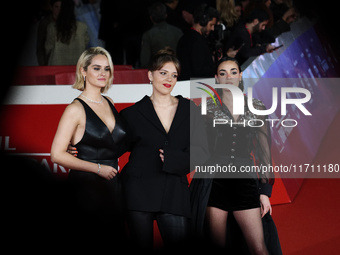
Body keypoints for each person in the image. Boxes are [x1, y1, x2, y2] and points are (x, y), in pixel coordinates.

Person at [120, 48, 208, 250]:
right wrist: (79, 150)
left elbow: (203, 151)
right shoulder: (131, 114)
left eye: (174, 75)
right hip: (138, 192)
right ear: (150, 75)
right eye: (163, 73)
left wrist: (175, 159)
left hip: (174, 191)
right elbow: (114, 147)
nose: (169, 79)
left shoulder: (189, 109)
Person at [190, 57, 277, 254]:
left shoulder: (257, 107)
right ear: (216, 79)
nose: (228, 77)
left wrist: (264, 191)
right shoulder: (205, 108)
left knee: (258, 247)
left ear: (240, 76)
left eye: (233, 72)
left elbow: (264, 151)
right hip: (214, 183)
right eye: (223, 73)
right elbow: (196, 146)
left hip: (244, 181)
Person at [50, 46, 127, 244]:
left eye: (106, 69)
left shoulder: (109, 101)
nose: (103, 73)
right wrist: (97, 168)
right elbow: (57, 155)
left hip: (113, 186)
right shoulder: (74, 109)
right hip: (86, 188)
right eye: (96, 68)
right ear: (83, 71)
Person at [176, 3, 219, 80]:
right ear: (203, 21)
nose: (212, 29)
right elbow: (200, 71)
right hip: (196, 88)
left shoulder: (185, 37)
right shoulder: (196, 42)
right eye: (211, 25)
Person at [45, 0, 89, 65]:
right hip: (76, 67)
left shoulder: (51, 27)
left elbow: (48, 48)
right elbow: (85, 44)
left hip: (56, 67)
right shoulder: (83, 27)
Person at [140, 2, 183, 68]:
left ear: (151, 18)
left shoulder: (148, 35)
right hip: (177, 70)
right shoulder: (178, 32)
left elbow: (144, 61)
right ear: (166, 15)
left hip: (158, 70)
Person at [36, 0, 62, 65]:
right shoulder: (45, 23)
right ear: (51, 8)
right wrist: (42, 64)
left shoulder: (67, 22)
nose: (59, 10)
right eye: (56, 7)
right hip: (49, 61)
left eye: (61, 7)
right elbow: (40, 46)